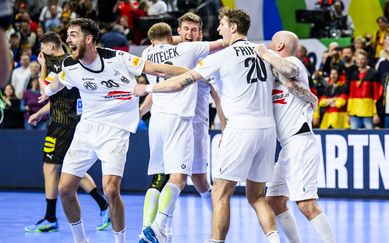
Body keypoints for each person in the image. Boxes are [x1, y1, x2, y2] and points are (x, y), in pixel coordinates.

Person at [134, 8, 283, 243]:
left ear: (232, 27)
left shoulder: (215, 56)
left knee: (214, 188)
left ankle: (202, 236)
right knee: (255, 196)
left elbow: (184, 82)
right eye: (186, 30)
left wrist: (147, 88)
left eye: (221, 24)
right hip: (265, 128)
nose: (218, 29)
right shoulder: (262, 51)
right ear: (178, 31)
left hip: (223, 127)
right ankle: (274, 239)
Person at [39, 18, 188, 243]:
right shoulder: (69, 65)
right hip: (87, 129)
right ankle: (80, 240)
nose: (68, 39)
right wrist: (46, 91)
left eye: (73, 35)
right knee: (65, 189)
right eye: (67, 35)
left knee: (110, 190)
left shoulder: (118, 58)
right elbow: (56, 83)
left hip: (116, 132)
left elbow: (157, 69)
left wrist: (194, 73)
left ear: (88, 39)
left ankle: (120, 241)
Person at [138, 13, 225, 242]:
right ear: (178, 30)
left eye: (194, 30)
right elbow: (159, 90)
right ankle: (159, 229)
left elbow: (217, 95)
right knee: (174, 177)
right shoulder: (181, 51)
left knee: (200, 180)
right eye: (185, 29)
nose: (189, 34)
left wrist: (224, 125)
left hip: (196, 124)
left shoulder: (206, 55)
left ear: (201, 33)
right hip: (178, 120)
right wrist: (140, 111)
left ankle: (218, 225)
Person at [24, 32, 111, 233]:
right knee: (73, 169)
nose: (41, 53)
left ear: (52, 47)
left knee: (50, 168)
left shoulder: (61, 64)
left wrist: (43, 65)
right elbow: (56, 100)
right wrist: (40, 114)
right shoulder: (69, 63)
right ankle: (103, 205)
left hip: (63, 124)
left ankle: (51, 218)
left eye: (43, 49)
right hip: (69, 121)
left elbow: (45, 92)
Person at [255, 31, 335, 243]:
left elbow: (288, 70)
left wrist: (263, 51)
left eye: (272, 43)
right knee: (274, 201)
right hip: (287, 147)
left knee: (306, 205)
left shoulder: (292, 62)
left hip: (300, 142)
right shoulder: (273, 73)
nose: (269, 45)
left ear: (280, 44)